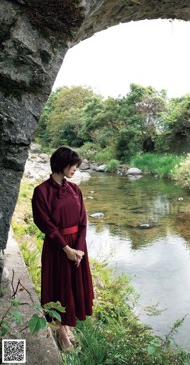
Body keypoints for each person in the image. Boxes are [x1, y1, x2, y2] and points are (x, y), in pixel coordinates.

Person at [32, 146, 94, 350]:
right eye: (72, 165)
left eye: (77, 165)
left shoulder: (75, 189)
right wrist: (66, 249)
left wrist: (79, 249)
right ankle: (61, 332)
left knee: (73, 287)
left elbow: (83, 221)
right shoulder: (41, 191)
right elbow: (45, 224)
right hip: (57, 248)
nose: (75, 169)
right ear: (60, 164)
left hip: (78, 247)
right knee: (60, 288)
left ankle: (67, 326)